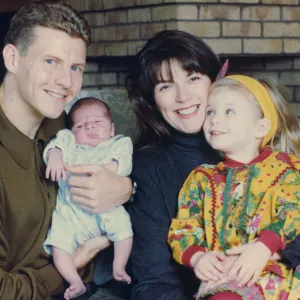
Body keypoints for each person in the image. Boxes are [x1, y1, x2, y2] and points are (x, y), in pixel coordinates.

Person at [126, 30, 300, 300]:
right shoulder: (154, 168)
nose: (183, 97)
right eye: (165, 86)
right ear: (152, 101)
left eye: (193, 78)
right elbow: (154, 279)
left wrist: (269, 249)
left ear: (217, 80)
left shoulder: (271, 155)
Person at [0, 2, 132, 299]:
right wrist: (79, 257)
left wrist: (126, 188)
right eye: (50, 62)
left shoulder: (65, 122)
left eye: (75, 68)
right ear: (12, 58)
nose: (66, 82)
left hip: (99, 280)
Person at [168, 74, 300, 299]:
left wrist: (264, 247)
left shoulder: (286, 169)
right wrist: (198, 257)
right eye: (210, 112)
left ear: (260, 127)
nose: (215, 120)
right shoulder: (201, 178)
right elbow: (185, 225)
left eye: (229, 111)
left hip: (276, 275)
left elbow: (294, 210)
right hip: (224, 275)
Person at [43, 97, 133, 299]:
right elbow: (55, 146)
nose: (89, 126)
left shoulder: (118, 143)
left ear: (111, 129)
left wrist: (107, 172)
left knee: (123, 227)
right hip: (70, 212)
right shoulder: (70, 144)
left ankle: (119, 265)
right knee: (58, 244)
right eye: (80, 125)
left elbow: (122, 162)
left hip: (107, 207)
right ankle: (75, 281)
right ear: (72, 133)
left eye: (97, 122)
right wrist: (55, 157)